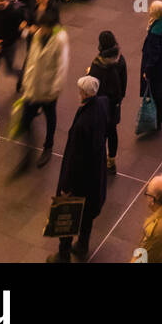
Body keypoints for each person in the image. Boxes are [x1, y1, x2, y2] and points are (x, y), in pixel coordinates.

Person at [48, 76, 110, 263]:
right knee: (88, 213)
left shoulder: (82, 124)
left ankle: (63, 254)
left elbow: (74, 159)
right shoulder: (102, 105)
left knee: (69, 214)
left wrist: (66, 186)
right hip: (95, 174)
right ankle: (82, 244)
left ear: (84, 94)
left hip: (80, 179)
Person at [13, 3, 69, 173]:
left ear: (51, 28)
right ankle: (28, 152)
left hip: (48, 90)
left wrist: (54, 90)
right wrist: (26, 81)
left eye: (44, 28)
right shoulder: (38, 35)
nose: (41, 30)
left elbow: (62, 67)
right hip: (34, 87)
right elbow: (31, 60)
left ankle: (48, 147)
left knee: (50, 117)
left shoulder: (60, 40)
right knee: (25, 120)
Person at [88, 30, 127, 172]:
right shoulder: (120, 60)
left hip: (100, 106)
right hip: (114, 105)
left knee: (100, 133)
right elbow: (124, 83)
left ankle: (98, 160)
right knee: (112, 132)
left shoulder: (98, 64)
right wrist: (119, 99)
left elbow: (92, 86)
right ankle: (111, 161)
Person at [140, 1, 162, 129]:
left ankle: (158, 119)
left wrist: (147, 71)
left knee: (155, 92)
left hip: (156, 68)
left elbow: (153, 56)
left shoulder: (155, 33)